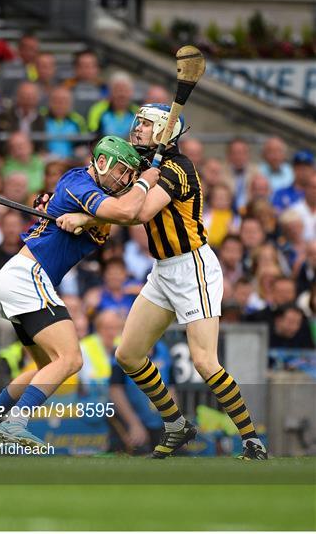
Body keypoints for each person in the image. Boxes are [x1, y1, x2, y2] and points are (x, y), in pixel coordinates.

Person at [58, 104, 268, 460]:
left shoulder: (178, 168)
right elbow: (114, 203)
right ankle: (176, 425)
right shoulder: (143, 165)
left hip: (193, 269)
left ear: (164, 132)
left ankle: (251, 440)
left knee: (205, 361)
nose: (136, 128)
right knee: (128, 355)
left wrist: (83, 216)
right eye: (137, 122)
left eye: (145, 124)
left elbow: (139, 212)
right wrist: (71, 209)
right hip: (162, 271)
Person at [0, 135, 159, 447]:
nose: (125, 179)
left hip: (20, 278)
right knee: (71, 359)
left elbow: (127, 213)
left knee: (47, 366)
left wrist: (83, 217)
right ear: (102, 162)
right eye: (121, 170)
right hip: (29, 275)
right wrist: (145, 183)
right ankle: (15, 423)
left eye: (129, 174)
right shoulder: (82, 186)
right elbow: (125, 212)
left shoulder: (90, 194)